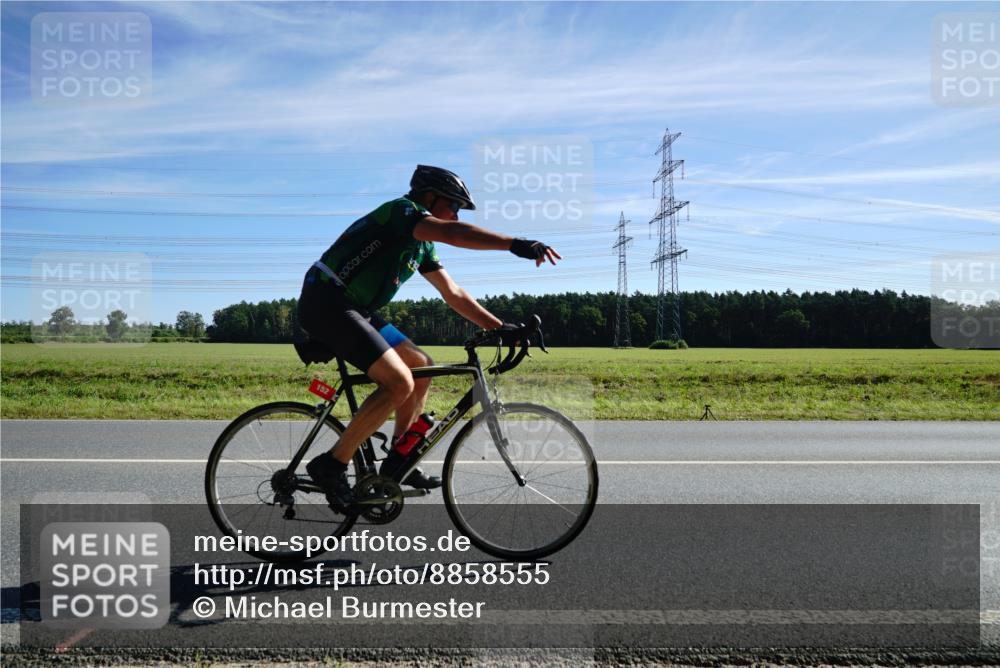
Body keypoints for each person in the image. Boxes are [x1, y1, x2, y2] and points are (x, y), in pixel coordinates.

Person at [298, 165, 561, 512]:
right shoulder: (402, 212)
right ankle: (331, 465)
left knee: (422, 368)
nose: (454, 214)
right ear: (429, 197)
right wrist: (514, 244)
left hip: (355, 308)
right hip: (327, 301)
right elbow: (453, 233)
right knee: (398, 383)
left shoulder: (421, 248)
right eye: (452, 205)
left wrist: (500, 328)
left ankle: (397, 463)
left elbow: (453, 293)